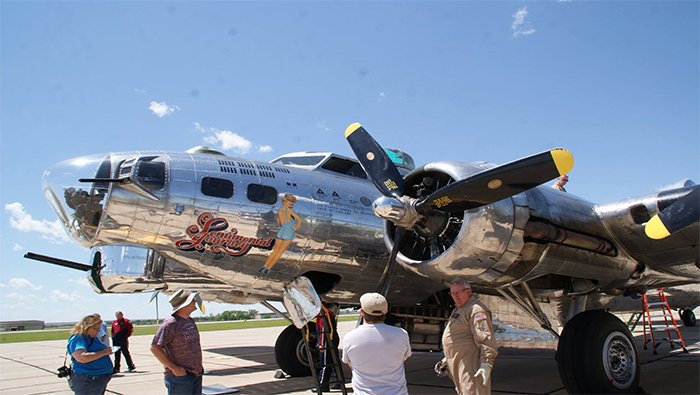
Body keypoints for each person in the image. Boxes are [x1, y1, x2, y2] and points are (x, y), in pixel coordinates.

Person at [341, 293, 411, 395]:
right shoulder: (401, 334)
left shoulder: (350, 337)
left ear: (361, 312)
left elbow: (349, 362)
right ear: (386, 312)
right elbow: (404, 357)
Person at [438, 279, 498, 395]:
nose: (456, 296)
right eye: (453, 293)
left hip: (470, 364)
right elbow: (460, 337)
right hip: (459, 363)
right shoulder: (461, 309)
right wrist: (447, 359)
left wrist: (486, 364)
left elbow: (486, 339)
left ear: (468, 291)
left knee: (472, 391)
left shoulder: (476, 310)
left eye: (459, 293)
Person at [151, 290, 205, 395]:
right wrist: (174, 368)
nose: (195, 302)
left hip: (195, 373)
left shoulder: (190, 320)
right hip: (180, 377)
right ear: (185, 304)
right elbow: (155, 347)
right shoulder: (170, 323)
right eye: (192, 300)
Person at [66, 314, 113, 395]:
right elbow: (81, 357)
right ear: (86, 327)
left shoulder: (90, 337)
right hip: (88, 379)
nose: (98, 331)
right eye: (96, 329)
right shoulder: (79, 338)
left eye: (99, 329)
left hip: (97, 378)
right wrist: (103, 352)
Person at [259, 193, 302, 273]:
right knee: (279, 252)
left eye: (292, 204)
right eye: (290, 203)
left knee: (275, 251)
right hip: (288, 231)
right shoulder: (289, 210)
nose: (291, 205)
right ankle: (267, 269)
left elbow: (279, 221)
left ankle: (264, 266)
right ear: (284, 202)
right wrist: (295, 228)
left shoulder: (280, 210)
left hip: (282, 230)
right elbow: (299, 220)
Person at [315, 303, 340, 391]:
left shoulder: (323, 315)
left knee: (325, 363)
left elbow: (323, 330)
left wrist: (321, 344)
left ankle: (323, 385)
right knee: (334, 361)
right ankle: (339, 381)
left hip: (327, 341)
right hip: (333, 339)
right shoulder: (329, 314)